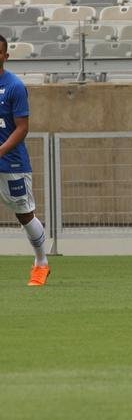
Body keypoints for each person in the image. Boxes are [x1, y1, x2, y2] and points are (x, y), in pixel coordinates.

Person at [0, 35, 49, 286]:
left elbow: (22, 128)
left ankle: (41, 263)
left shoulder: (14, 87)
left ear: (5, 56)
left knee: (25, 215)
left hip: (12, 163)